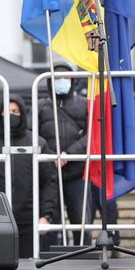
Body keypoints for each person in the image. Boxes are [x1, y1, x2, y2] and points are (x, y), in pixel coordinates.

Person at [0, 94, 57, 259]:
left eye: (15, 111)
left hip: (29, 222)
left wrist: (45, 216)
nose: (11, 115)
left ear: (23, 113)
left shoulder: (38, 144)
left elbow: (49, 182)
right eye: (6, 111)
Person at [38, 62, 93, 249]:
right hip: (50, 176)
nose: (61, 82)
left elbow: (92, 135)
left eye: (65, 78)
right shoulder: (41, 106)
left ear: (73, 81)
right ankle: (50, 260)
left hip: (78, 174)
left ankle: (83, 257)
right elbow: (32, 135)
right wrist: (51, 156)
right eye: (57, 79)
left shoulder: (85, 105)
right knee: (51, 224)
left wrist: (69, 153)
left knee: (82, 221)